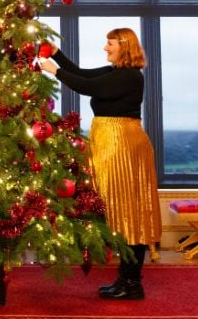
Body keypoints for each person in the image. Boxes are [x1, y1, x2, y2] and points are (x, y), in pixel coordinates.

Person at [39, 28, 161, 300]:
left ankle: (132, 283)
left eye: (110, 43)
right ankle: (126, 280)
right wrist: (57, 55)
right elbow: (83, 74)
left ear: (124, 45)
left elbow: (88, 87)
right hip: (111, 142)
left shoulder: (130, 76)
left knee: (130, 212)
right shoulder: (115, 72)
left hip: (123, 146)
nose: (105, 48)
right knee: (120, 210)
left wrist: (54, 71)